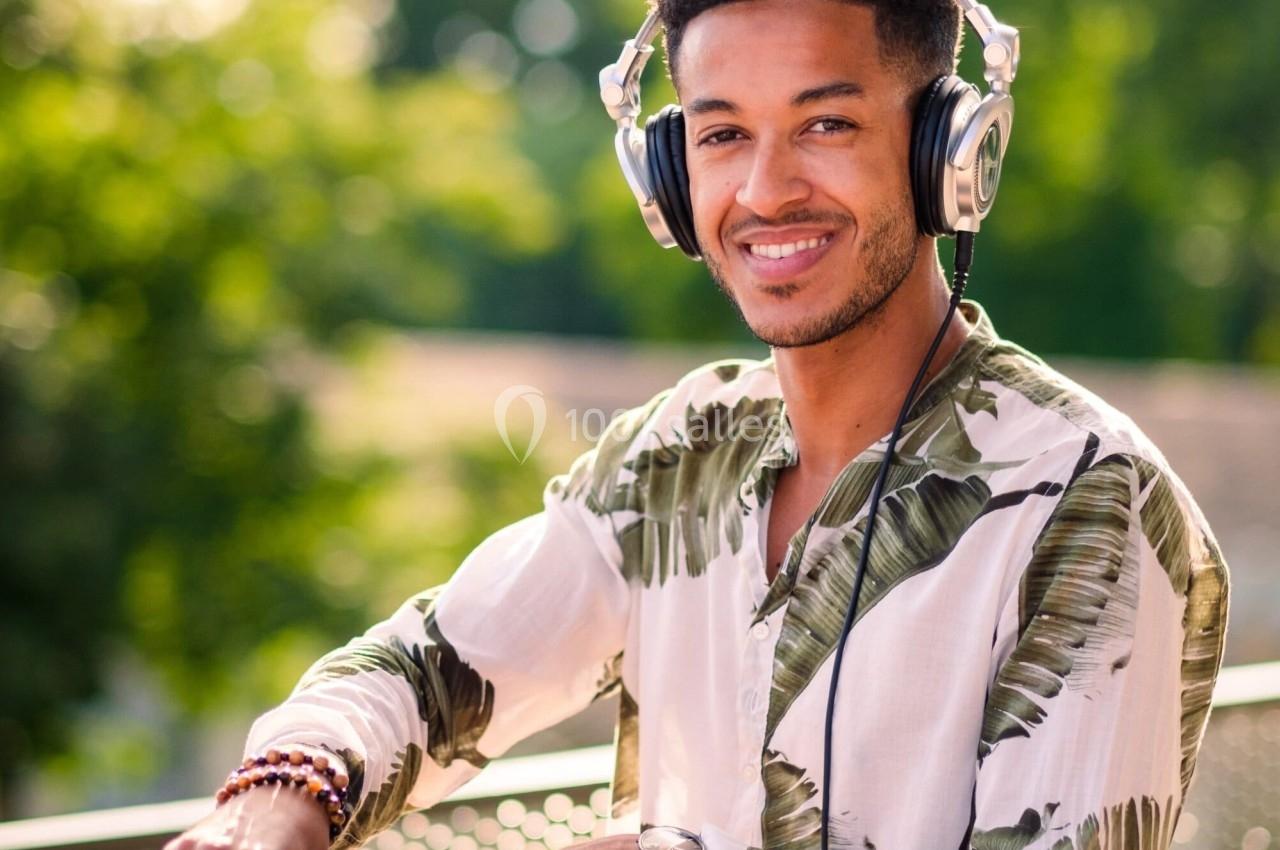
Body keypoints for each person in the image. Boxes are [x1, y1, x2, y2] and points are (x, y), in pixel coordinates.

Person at [166, 1, 1230, 849]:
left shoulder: (1086, 498)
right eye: (722, 134)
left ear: (947, 152)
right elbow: (426, 668)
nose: (764, 191)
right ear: (671, 181)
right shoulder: (678, 452)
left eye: (825, 124)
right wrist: (273, 806)